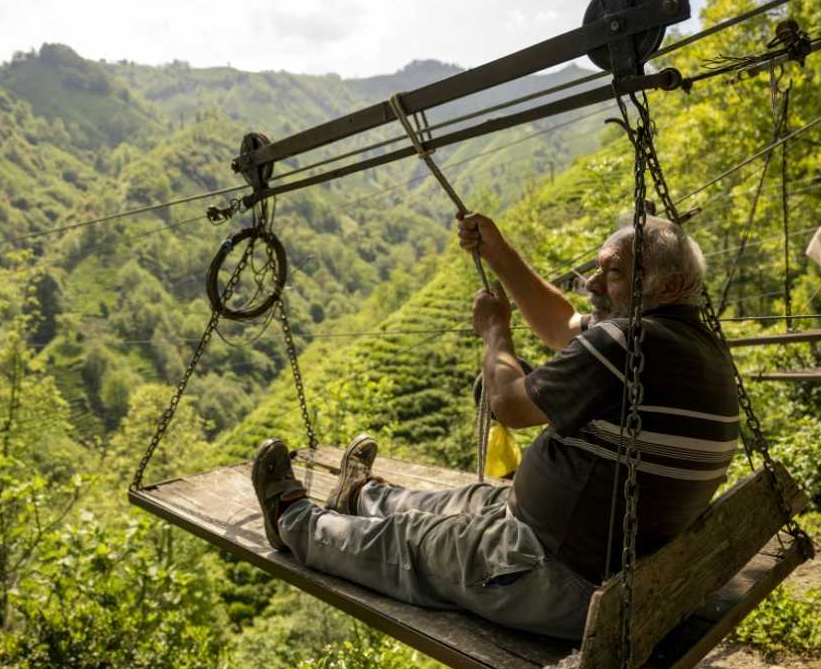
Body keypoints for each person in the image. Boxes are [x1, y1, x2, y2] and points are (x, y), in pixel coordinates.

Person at [250, 213, 739, 639]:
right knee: (466, 501)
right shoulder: (693, 345)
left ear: (668, 286)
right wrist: (499, 254)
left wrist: (494, 332)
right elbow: (559, 326)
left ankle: (291, 519)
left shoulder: (627, 342)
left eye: (613, 272)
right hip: (589, 553)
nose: (591, 283)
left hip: (558, 579)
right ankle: (360, 497)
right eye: (597, 267)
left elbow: (508, 404)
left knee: (411, 544)